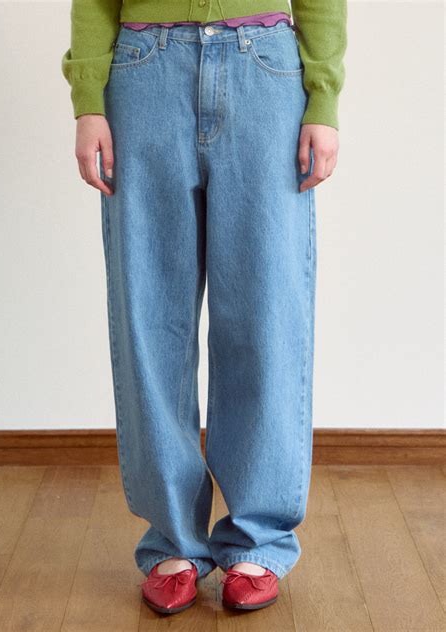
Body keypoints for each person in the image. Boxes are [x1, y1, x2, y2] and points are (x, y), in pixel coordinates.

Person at [62, 0, 347, 616]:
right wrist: (88, 101)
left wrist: (323, 100)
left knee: (265, 318)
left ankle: (257, 539)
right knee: (151, 318)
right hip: (143, 75)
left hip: (264, 73)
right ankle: (173, 542)